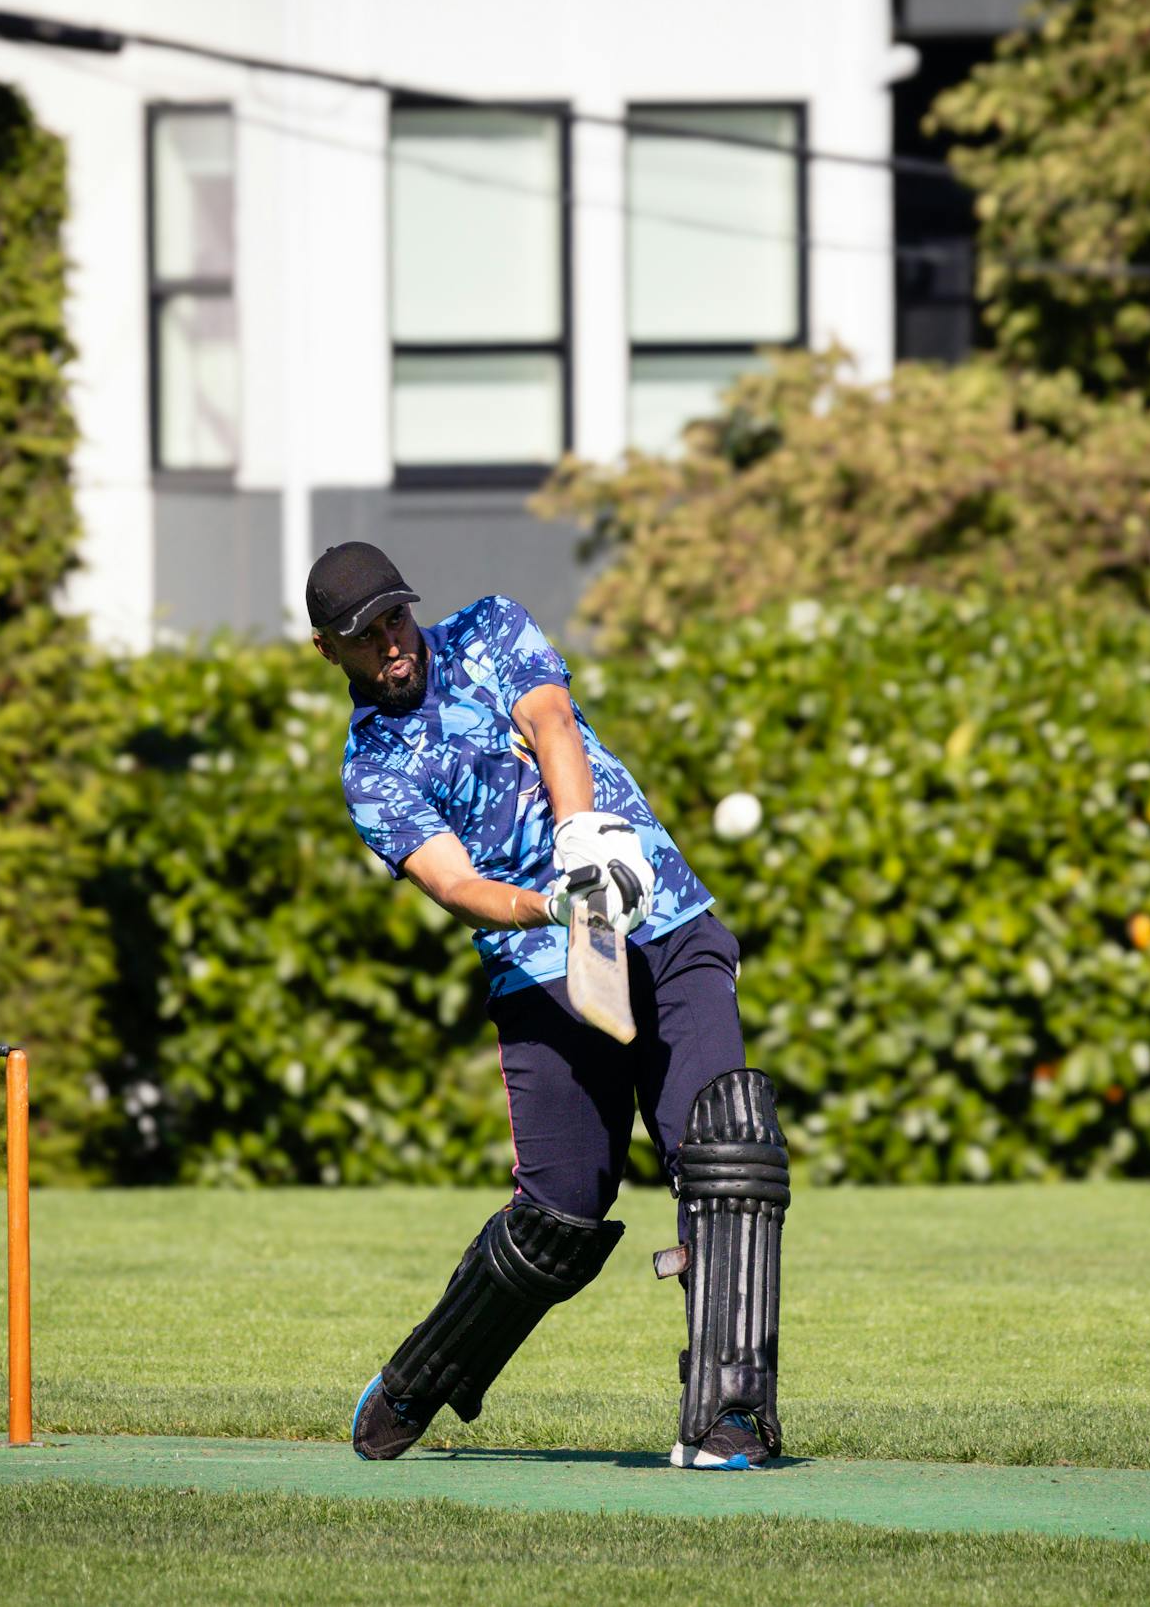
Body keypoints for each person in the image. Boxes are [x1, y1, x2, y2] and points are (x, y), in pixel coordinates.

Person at [307, 540, 789, 1471]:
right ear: (331, 650)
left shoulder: (490, 627)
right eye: (365, 637)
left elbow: (554, 721)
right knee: (560, 1212)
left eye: (396, 619)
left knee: (725, 1152)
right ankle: (422, 1372)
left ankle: (732, 1414)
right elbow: (452, 883)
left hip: (665, 922)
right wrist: (555, 901)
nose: (392, 644)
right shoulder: (372, 769)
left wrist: (581, 842)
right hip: (541, 965)